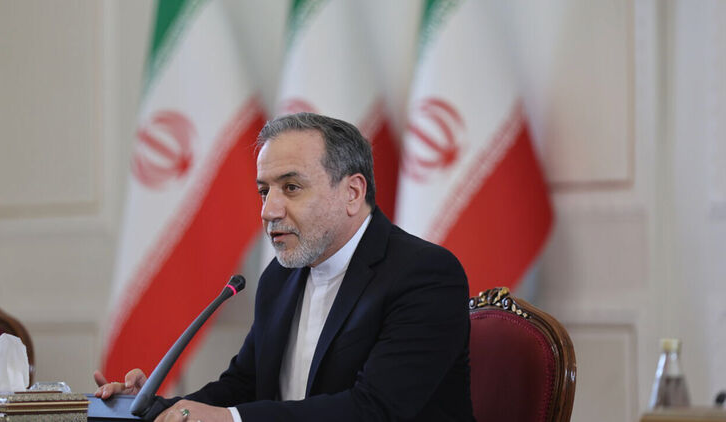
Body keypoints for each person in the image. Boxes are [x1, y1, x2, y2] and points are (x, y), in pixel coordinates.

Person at [95, 113, 474, 421]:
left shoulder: (424, 275)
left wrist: (231, 420)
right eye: (264, 191)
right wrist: (150, 408)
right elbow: (243, 386)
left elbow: (373, 410)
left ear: (352, 193)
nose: (268, 211)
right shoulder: (280, 277)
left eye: (291, 187)